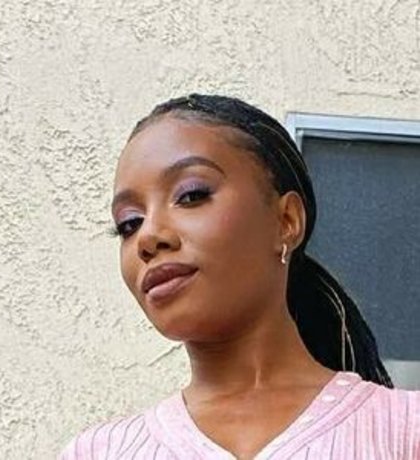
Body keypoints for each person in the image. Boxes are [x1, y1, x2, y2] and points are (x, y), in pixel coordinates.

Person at [58, 94, 420, 459]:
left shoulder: (404, 429)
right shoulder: (99, 452)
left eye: (191, 195)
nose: (148, 237)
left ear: (286, 221)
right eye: (129, 224)